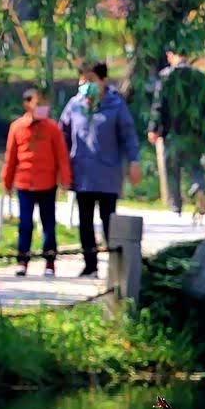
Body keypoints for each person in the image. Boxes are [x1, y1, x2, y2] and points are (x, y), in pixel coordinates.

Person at [60, 61, 141, 278]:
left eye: (91, 80)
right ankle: (90, 265)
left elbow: (128, 136)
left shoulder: (116, 105)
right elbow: (63, 137)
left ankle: (116, 267)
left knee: (109, 223)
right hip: (82, 174)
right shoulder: (74, 105)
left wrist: (134, 162)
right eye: (82, 80)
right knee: (85, 222)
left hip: (108, 175)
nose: (85, 84)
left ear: (103, 81)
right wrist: (62, 169)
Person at [2, 87, 73, 277]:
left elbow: (61, 156)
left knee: (48, 223)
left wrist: (65, 180)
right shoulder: (17, 127)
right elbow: (11, 158)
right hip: (25, 184)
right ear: (27, 104)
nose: (42, 108)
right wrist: (6, 182)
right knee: (25, 224)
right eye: (38, 104)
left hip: (47, 184)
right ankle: (22, 261)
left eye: (44, 104)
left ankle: (49, 262)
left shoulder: (52, 128)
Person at [148, 45, 205, 220]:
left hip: (172, 133)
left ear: (172, 55)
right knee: (195, 165)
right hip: (195, 133)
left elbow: (159, 105)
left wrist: (153, 128)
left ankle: (175, 206)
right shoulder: (199, 77)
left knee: (172, 169)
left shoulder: (166, 77)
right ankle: (199, 188)